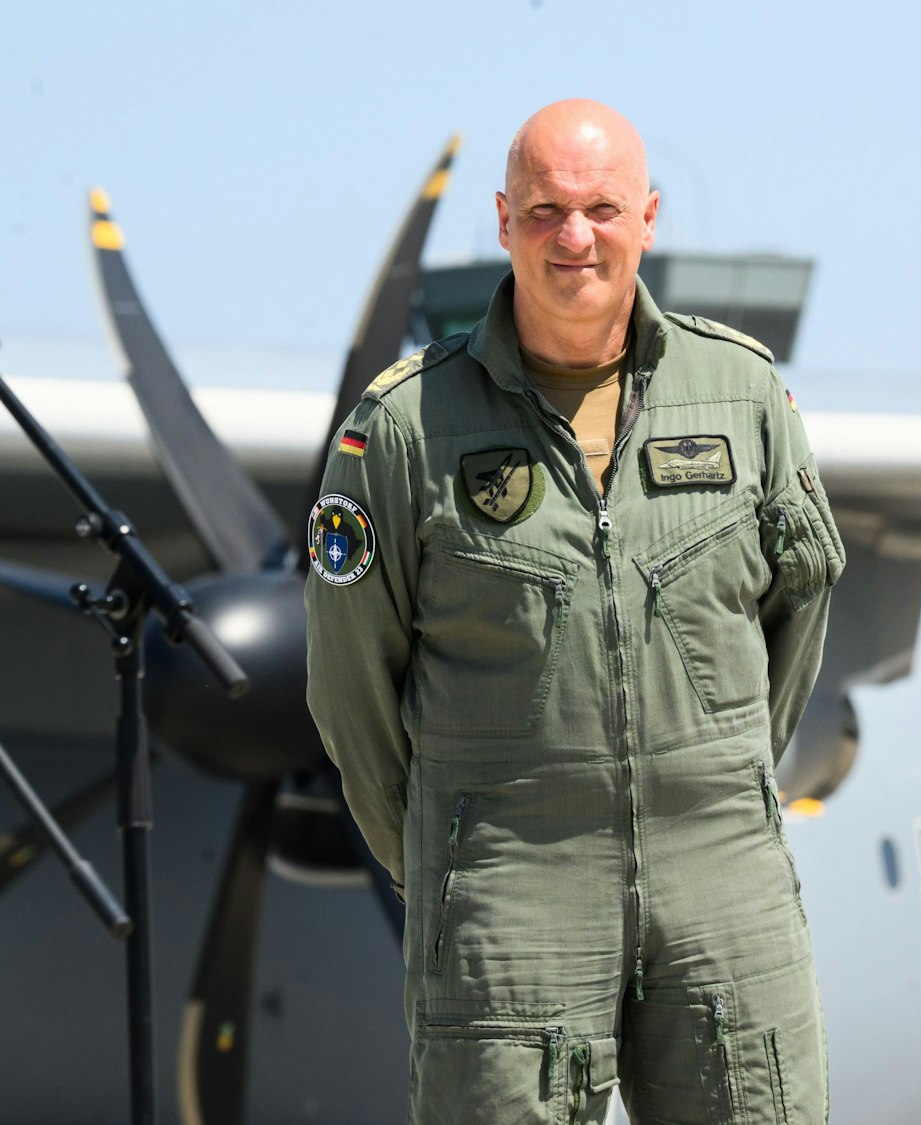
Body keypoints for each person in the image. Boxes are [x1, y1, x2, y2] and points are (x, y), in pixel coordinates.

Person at [304, 99, 842, 1124]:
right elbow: (347, 676)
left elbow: (802, 598)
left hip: (720, 872)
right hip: (511, 883)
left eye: (600, 208)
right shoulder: (405, 427)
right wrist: (447, 852)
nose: (574, 238)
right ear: (504, 221)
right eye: (546, 210)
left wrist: (721, 774)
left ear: (648, 217)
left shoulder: (742, 396)